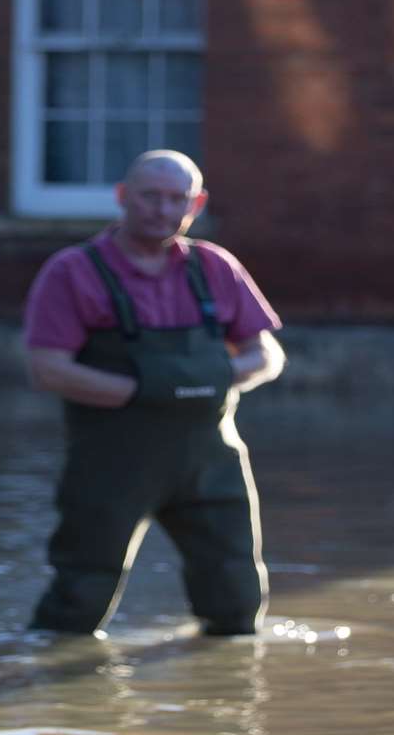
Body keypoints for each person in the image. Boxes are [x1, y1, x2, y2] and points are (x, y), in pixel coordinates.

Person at [22, 149, 285, 637]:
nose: (163, 211)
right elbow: (48, 369)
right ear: (123, 197)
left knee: (237, 605)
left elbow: (267, 355)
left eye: (176, 200)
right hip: (111, 461)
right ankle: (49, 693)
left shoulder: (215, 267)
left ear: (196, 204)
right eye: (150, 197)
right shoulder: (72, 271)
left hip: (211, 460)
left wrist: (204, 382)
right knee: (79, 602)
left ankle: (227, 700)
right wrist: (142, 389)